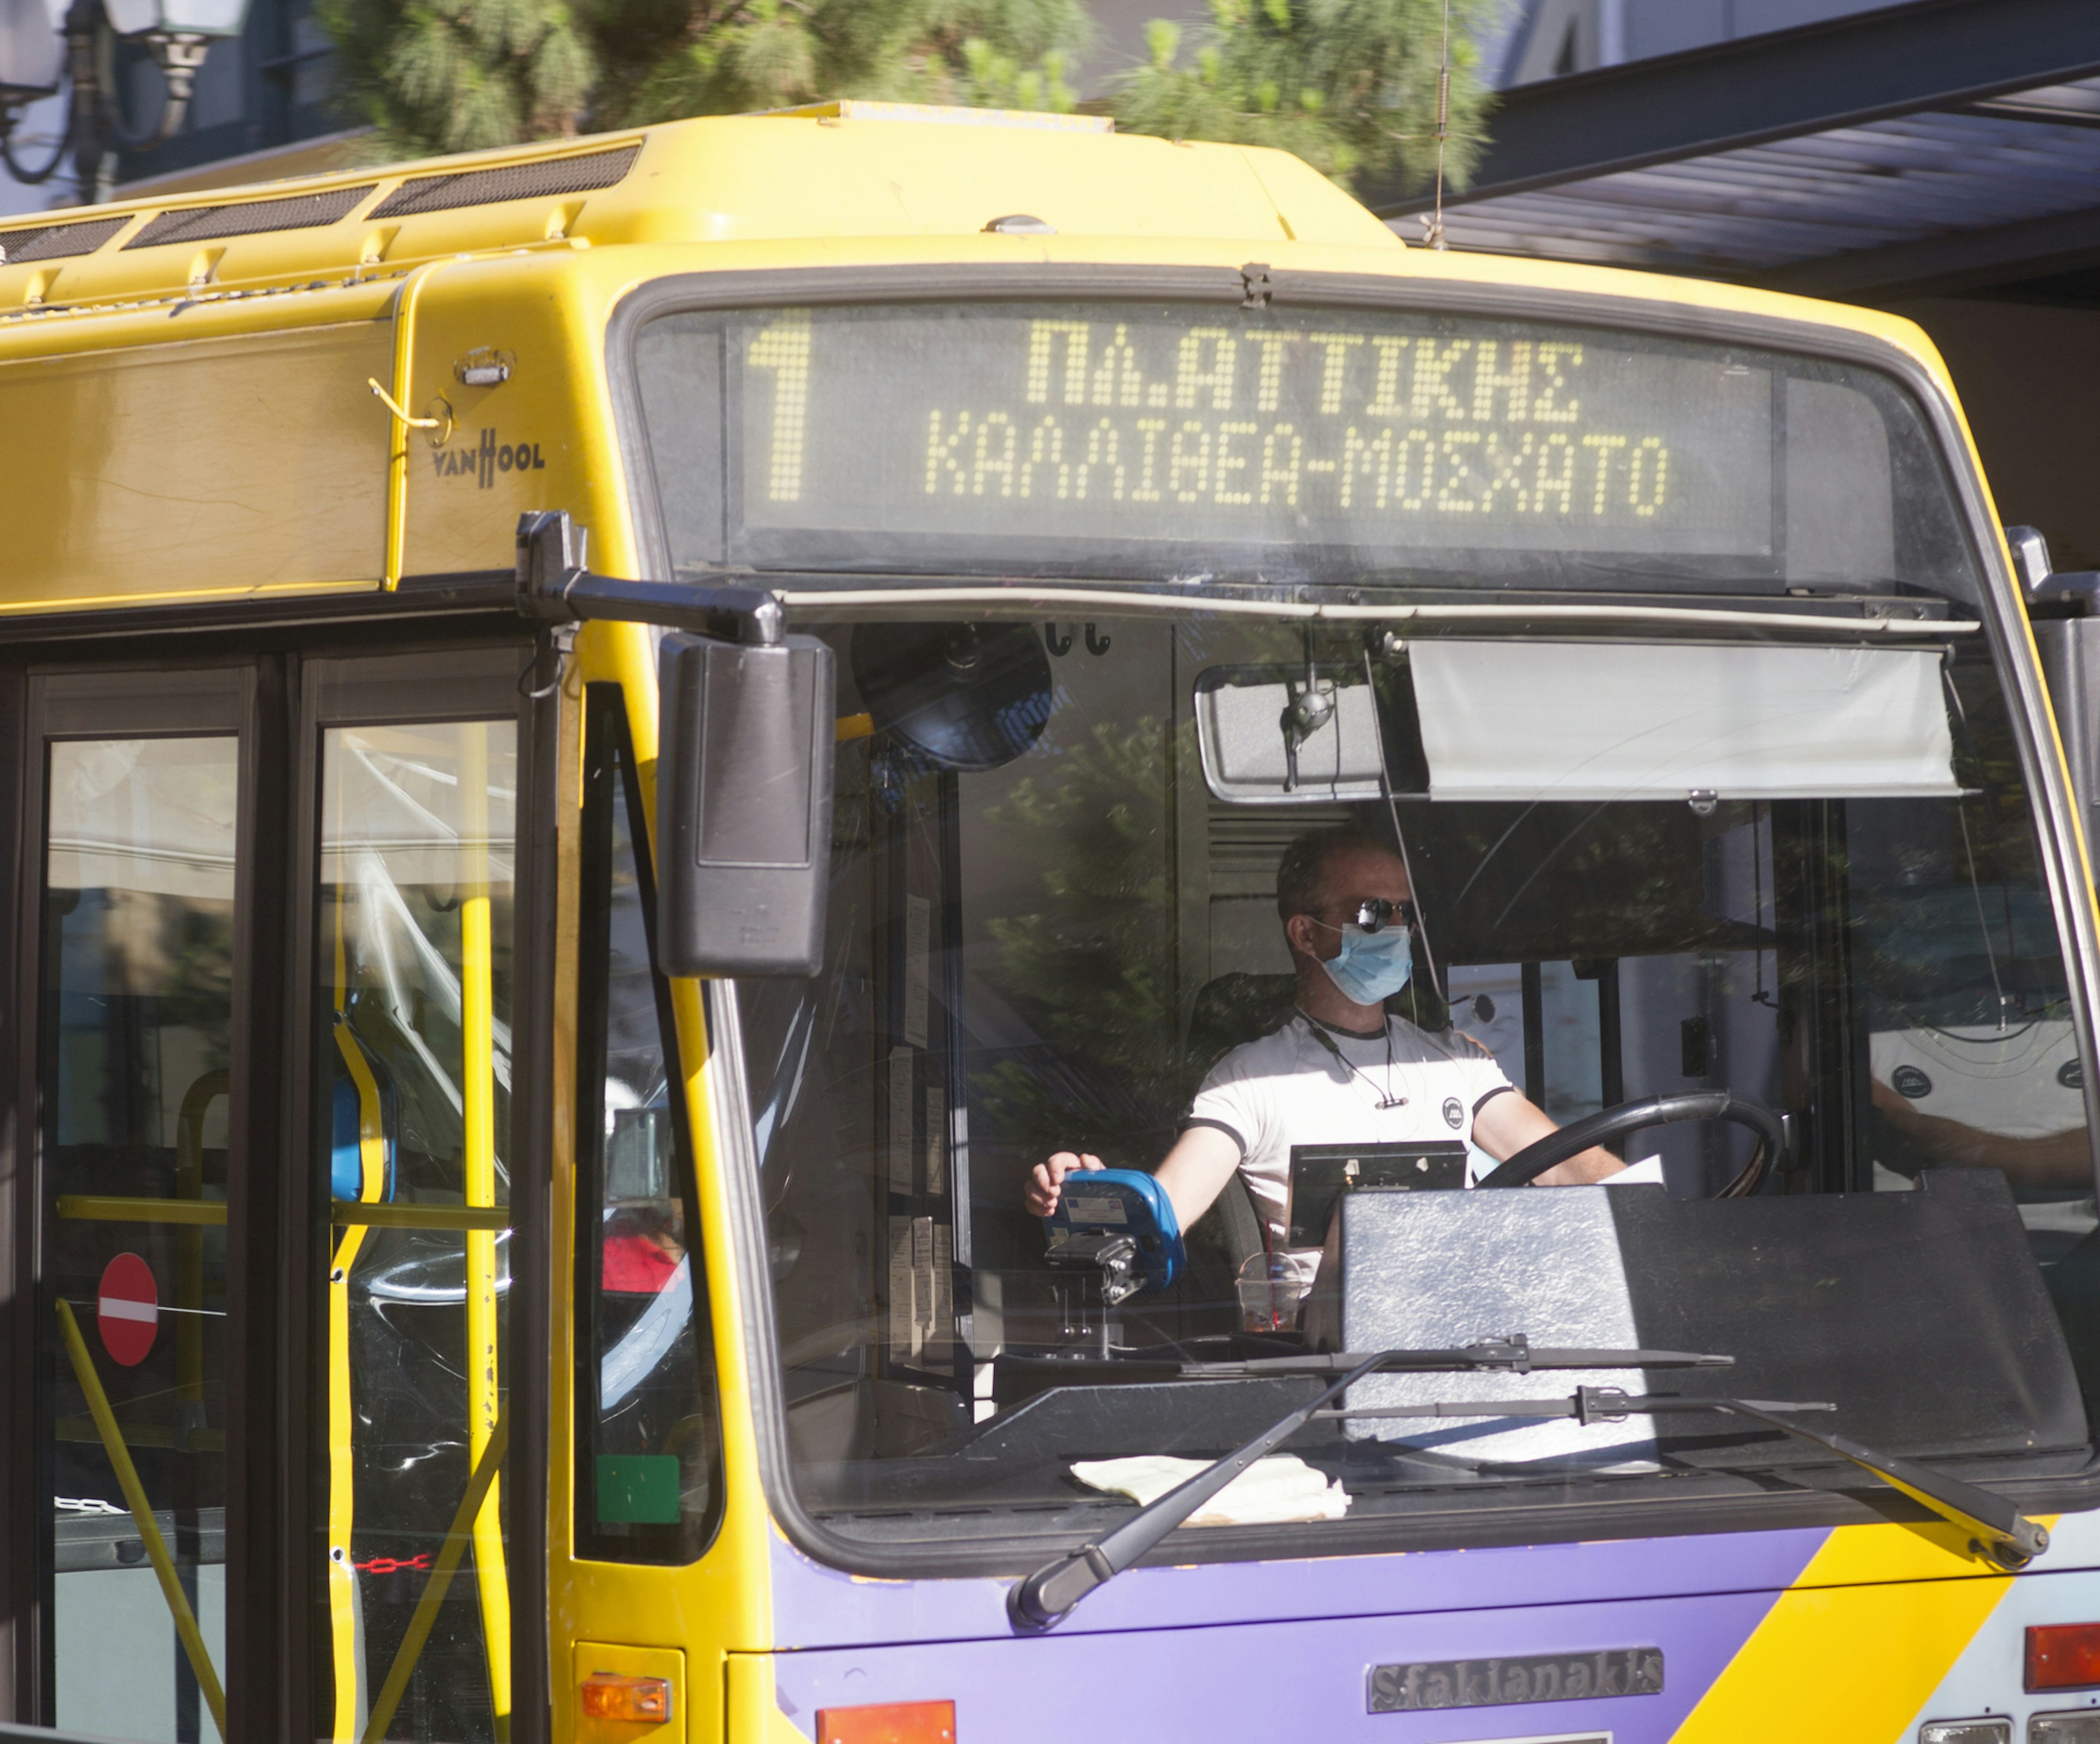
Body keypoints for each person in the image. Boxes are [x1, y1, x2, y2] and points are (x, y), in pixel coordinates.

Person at [1025, 826, 1624, 1281]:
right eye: (1369, 912)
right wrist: (1083, 1196)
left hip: (1475, 1325)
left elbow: (1563, 1162)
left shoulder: (1455, 1062)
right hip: (1337, 1362)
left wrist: (1653, 1204)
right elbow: (1164, 1212)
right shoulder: (1249, 1080)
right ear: (1306, 934)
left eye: (1404, 913)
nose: (1394, 928)